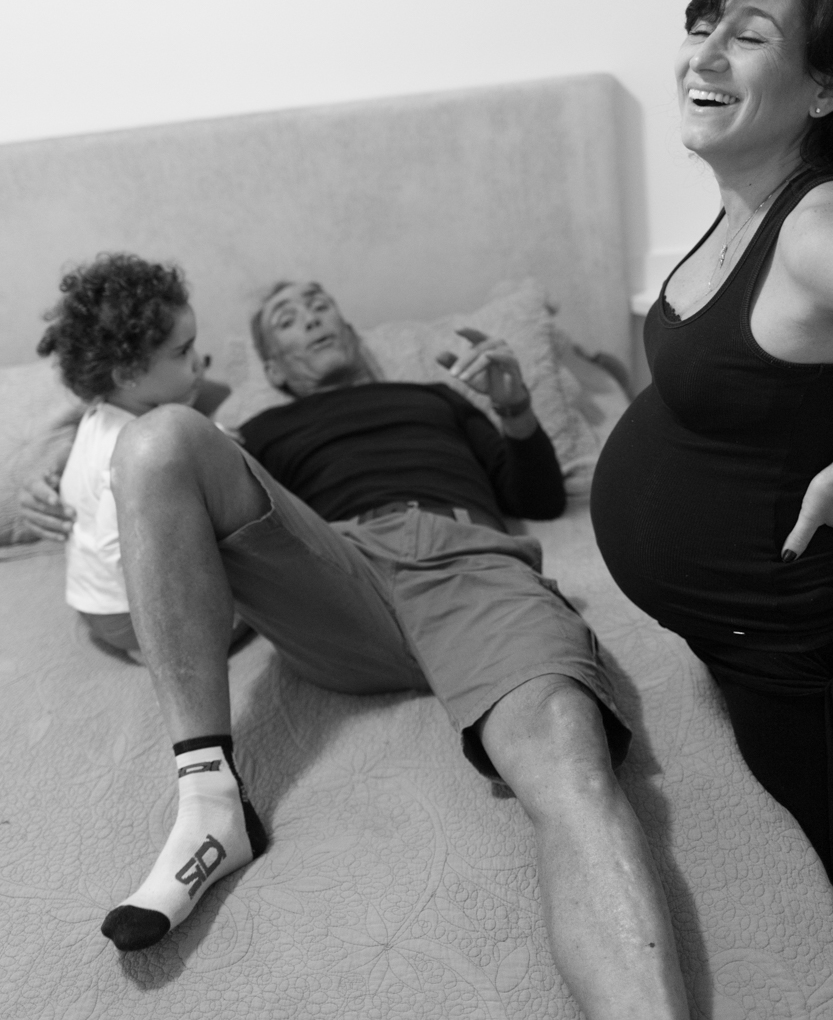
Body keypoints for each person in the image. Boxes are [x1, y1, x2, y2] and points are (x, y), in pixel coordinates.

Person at [21, 277, 690, 1020]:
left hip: (467, 564)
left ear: (350, 331)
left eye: (321, 307)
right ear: (273, 366)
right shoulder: (258, 429)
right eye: (287, 319)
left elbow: (535, 499)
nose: (311, 318)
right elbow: (149, 437)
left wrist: (514, 410)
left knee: (570, 763)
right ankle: (209, 797)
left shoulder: (433, 398)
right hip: (337, 575)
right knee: (158, 438)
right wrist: (65, 469)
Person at [591, 0, 833, 880]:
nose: (705, 56)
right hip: (736, 637)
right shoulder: (748, 200)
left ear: (821, 89)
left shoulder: (813, 230)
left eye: (750, 35)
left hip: (788, 650)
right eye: (701, 28)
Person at [36, 254, 202, 657]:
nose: (198, 360)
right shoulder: (131, 448)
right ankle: (156, 647)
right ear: (127, 374)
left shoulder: (102, 415)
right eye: (183, 351)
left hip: (95, 603)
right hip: (127, 613)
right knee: (257, 603)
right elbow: (119, 546)